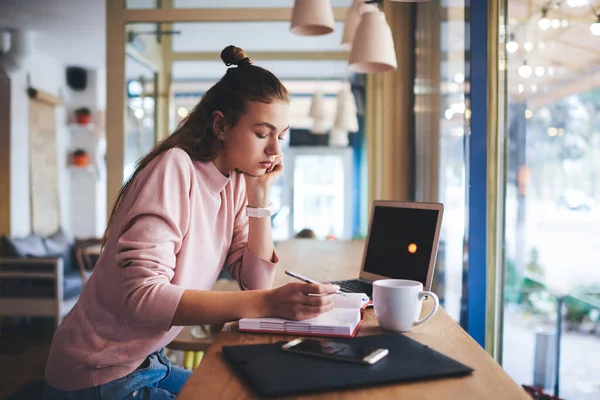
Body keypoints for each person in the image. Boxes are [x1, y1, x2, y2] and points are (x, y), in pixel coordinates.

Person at [43, 45, 340, 400]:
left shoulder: (233, 182)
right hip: (99, 373)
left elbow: (255, 281)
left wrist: (259, 198)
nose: (276, 150)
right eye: (263, 134)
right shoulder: (175, 169)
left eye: (282, 135)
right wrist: (268, 303)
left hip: (146, 360)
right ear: (221, 125)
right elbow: (144, 297)